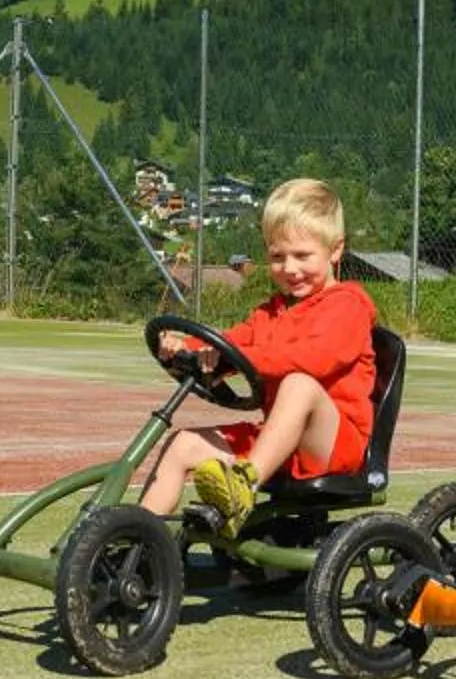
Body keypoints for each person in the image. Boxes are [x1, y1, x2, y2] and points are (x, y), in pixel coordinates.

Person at [138, 177, 378, 537]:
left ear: (335, 250)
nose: (289, 269)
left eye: (302, 256)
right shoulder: (270, 312)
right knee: (182, 443)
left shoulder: (348, 305)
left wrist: (239, 357)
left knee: (299, 383)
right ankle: (137, 542)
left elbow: (312, 359)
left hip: (332, 447)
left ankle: (242, 487)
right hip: (276, 445)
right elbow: (231, 341)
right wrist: (186, 348)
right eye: (277, 257)